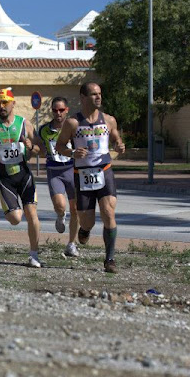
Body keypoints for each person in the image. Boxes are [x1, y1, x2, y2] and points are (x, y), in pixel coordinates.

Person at [56, 82, 125, 273]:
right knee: (87, 220)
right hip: (83, 175)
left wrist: (119, 145)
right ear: (83, 98)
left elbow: (116, 138)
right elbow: (59, 146)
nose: (98, 97)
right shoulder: (73, 123)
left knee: (108, 211)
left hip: (105, 171)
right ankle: (84, 230)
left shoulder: (109, 120)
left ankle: (109, 259)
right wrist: (72, 153)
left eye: (100, 94)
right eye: (94, 94)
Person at [0, 87, 42, 268]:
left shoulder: (24, 124)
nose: (1, 106)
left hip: (24, 176)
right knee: (15, 219)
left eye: (5, 102)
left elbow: (38, 149)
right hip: (5, 180)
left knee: (31, 213)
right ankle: (13, 211)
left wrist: (31, 147)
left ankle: (34, 255)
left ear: (13, 103)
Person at [34, 97, 80, 257]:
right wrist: (31, 148)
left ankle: (71, 244)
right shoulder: (44, 130)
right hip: (54, 170)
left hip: (73, 169)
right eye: (55, 110)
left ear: (67, 110)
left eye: (61, 110)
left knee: (76, 209)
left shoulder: (74, 127)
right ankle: (61, 215)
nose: (58, 113)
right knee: (60, 205)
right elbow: (39, 149)